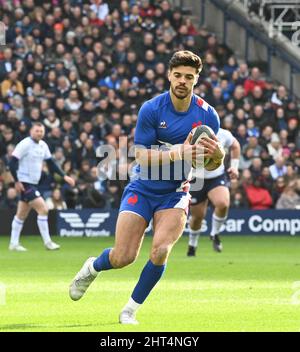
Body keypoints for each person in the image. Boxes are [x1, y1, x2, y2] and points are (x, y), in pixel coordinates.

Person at [69, 50, 225, 324]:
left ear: (196, 79)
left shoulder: (208, 116)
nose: (182, 81)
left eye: (189, 77)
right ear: (169, 75)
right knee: (123, 257)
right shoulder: (152, 109)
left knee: (161, 249)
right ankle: (92, 267)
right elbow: (140, 155)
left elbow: (209, 164)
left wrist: (219, 157)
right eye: (177, 75)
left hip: (175, 192)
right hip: (142, 187)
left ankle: (129, 310)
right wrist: (180, 152)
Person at [8, 123, 75, 251]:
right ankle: (48, 242)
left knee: (21, 214)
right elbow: (12, 163)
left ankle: (13, 243)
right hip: (25, 183)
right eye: (37, 131)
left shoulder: (43, 145)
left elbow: (51, 163)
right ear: (31, 131)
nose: (39, 133)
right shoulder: (25, 144)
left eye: (41, 131)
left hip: (33, 183)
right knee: (43, 209)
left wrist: (64, 176)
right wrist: (17, 181)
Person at [187, 128, 241, 255]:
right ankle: (192, 245)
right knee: (197, 217)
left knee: (223, 203)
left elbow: (235, 145)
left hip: (215, 177)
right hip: (196, 178)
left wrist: (234, 167)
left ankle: (215, 233)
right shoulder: (190, 133)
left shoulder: (222, 133)